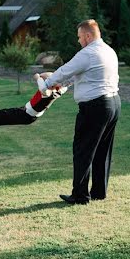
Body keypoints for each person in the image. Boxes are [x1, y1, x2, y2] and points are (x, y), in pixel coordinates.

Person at [41, 19, 119, 205]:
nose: (78, 41)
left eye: (79, 37)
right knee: (102, 149)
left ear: (88, 36)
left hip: (95, 107)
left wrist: (45, 85)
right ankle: (99, 191)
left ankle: (80, 195)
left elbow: (65, 70)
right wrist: (60, 82)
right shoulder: (108, 51)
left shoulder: (88, 53)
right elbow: (81, 76)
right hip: (113, 104)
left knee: (83, 150)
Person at [0, 72, 69, 127]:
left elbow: (42, 87)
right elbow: (59, 82)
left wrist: (38, 77)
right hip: (25, 111)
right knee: (5, 112)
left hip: (27, 115)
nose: (46, 83)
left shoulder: (48, 93)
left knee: (4, 117)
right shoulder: (60, 89)